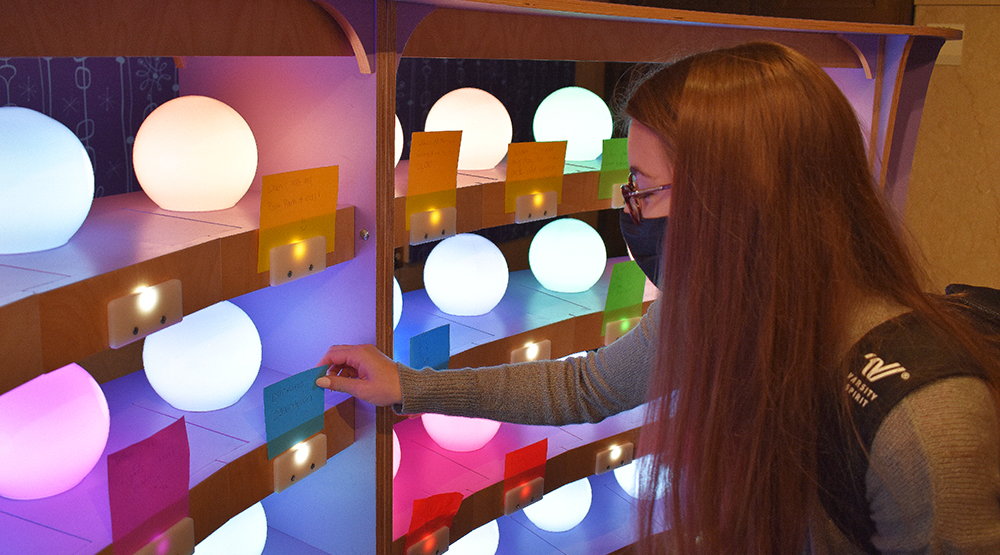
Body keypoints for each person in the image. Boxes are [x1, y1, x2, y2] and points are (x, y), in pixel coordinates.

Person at [317, 42, 1000, 554]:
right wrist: (408, 383)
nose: (631, 211)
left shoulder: (920, 419)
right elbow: (582, 386)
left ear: (739, 199)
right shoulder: (718, 312)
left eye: (644, 187)